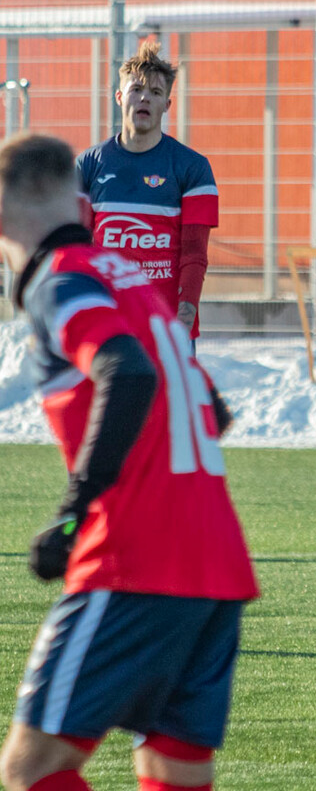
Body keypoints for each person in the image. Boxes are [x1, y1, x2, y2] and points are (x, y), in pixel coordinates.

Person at [0, 134, 257, 791]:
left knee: (32, 769)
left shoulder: (61, 281)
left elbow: (127, 371)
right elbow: (209, 407)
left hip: (132, 560)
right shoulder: (135, 284)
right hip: (216, 562)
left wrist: (72, 513)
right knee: (174, 772)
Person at [76, 41, 218, 345]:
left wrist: (185, 314)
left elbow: (194, 254)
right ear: (119, 97)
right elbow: (75, 248)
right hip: (107, 326)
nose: (144, 98)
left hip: (166, 327)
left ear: (167, 104)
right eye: (136, 89)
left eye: (155, 92)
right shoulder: (88, 164)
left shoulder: (193, 167)